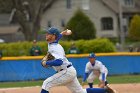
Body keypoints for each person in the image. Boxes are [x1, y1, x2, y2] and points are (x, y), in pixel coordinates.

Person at [40, 27, 115, 93]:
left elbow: (59, 62)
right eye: (46, 33)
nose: (46, 34)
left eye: (48, 33)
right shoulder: (52, 42)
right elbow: (58, 37)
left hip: (66, 72)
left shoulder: (56, 48)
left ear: (53, 36)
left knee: (46, 83)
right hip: (69, 71)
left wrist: (46, 63)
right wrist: (63, 33)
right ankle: (105, 90)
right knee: (81, 92)